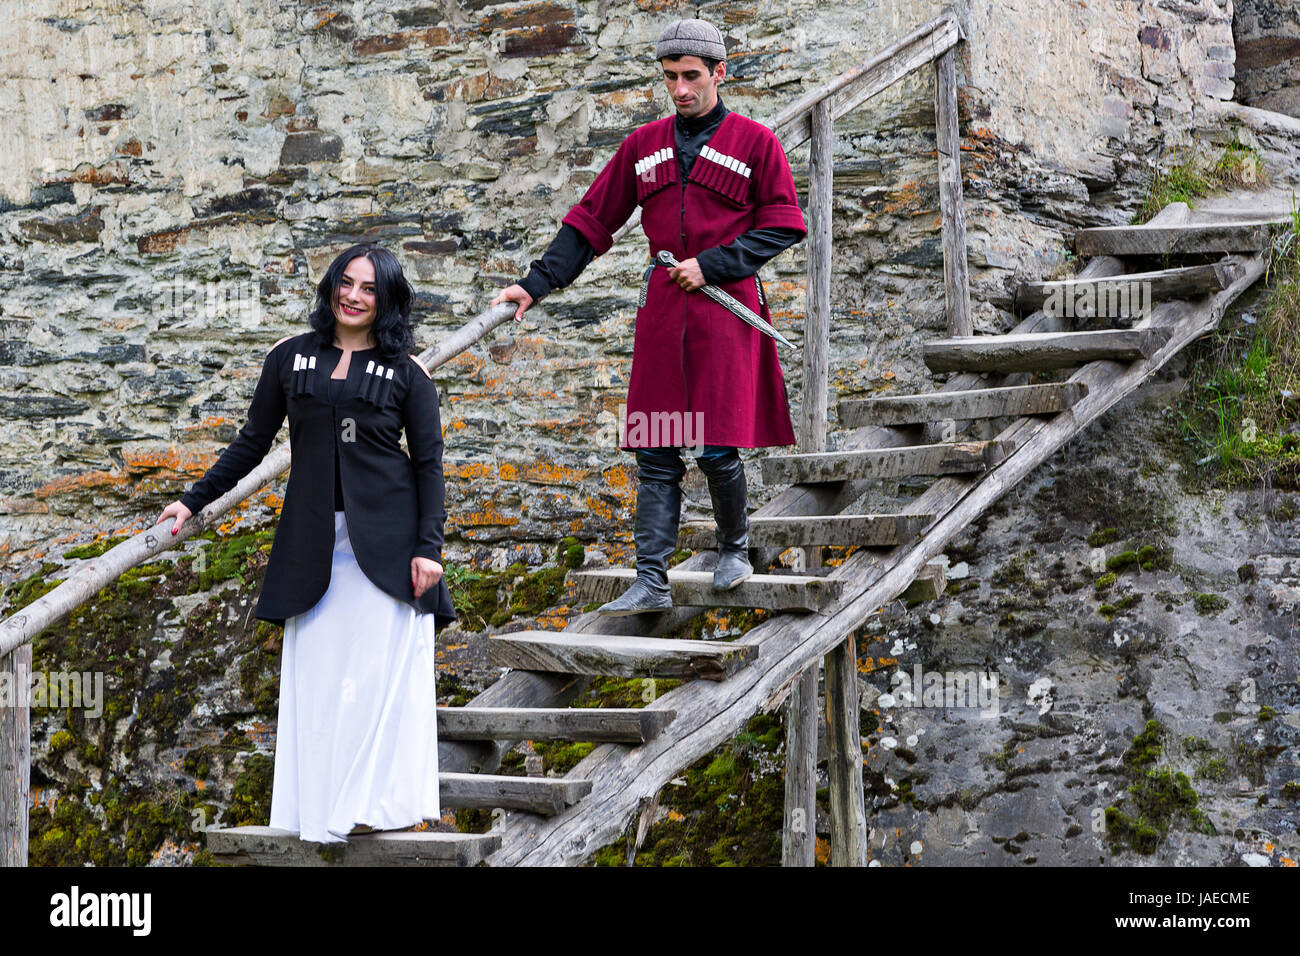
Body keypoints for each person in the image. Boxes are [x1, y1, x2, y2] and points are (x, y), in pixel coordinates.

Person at [491, 18, 807, 615]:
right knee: (657, 447)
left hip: (726, 309)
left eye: (691, 77)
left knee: (716, 448)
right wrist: (535, 285)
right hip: (663, 312)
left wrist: (713, 264)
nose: (680, 89)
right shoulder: (644, 146)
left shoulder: (755, 143)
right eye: (670, 78)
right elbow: (592, 220)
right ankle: (650, 578)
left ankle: (734, 549)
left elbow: (785, 222)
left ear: (719, 73)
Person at [155, 243, 456, 843]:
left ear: (387, 299)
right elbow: (252, 443)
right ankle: (320, 808)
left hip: (391, 545)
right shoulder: (289, 359)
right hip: (314, 542)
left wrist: (430, 548)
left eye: (370, 288)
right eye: (346, 283)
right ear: (330, 287)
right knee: (320, 679)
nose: (353, 296)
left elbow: (428, 464)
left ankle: (371, 807)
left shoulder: (407, 372)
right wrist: (192, 500)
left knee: (375, 678)